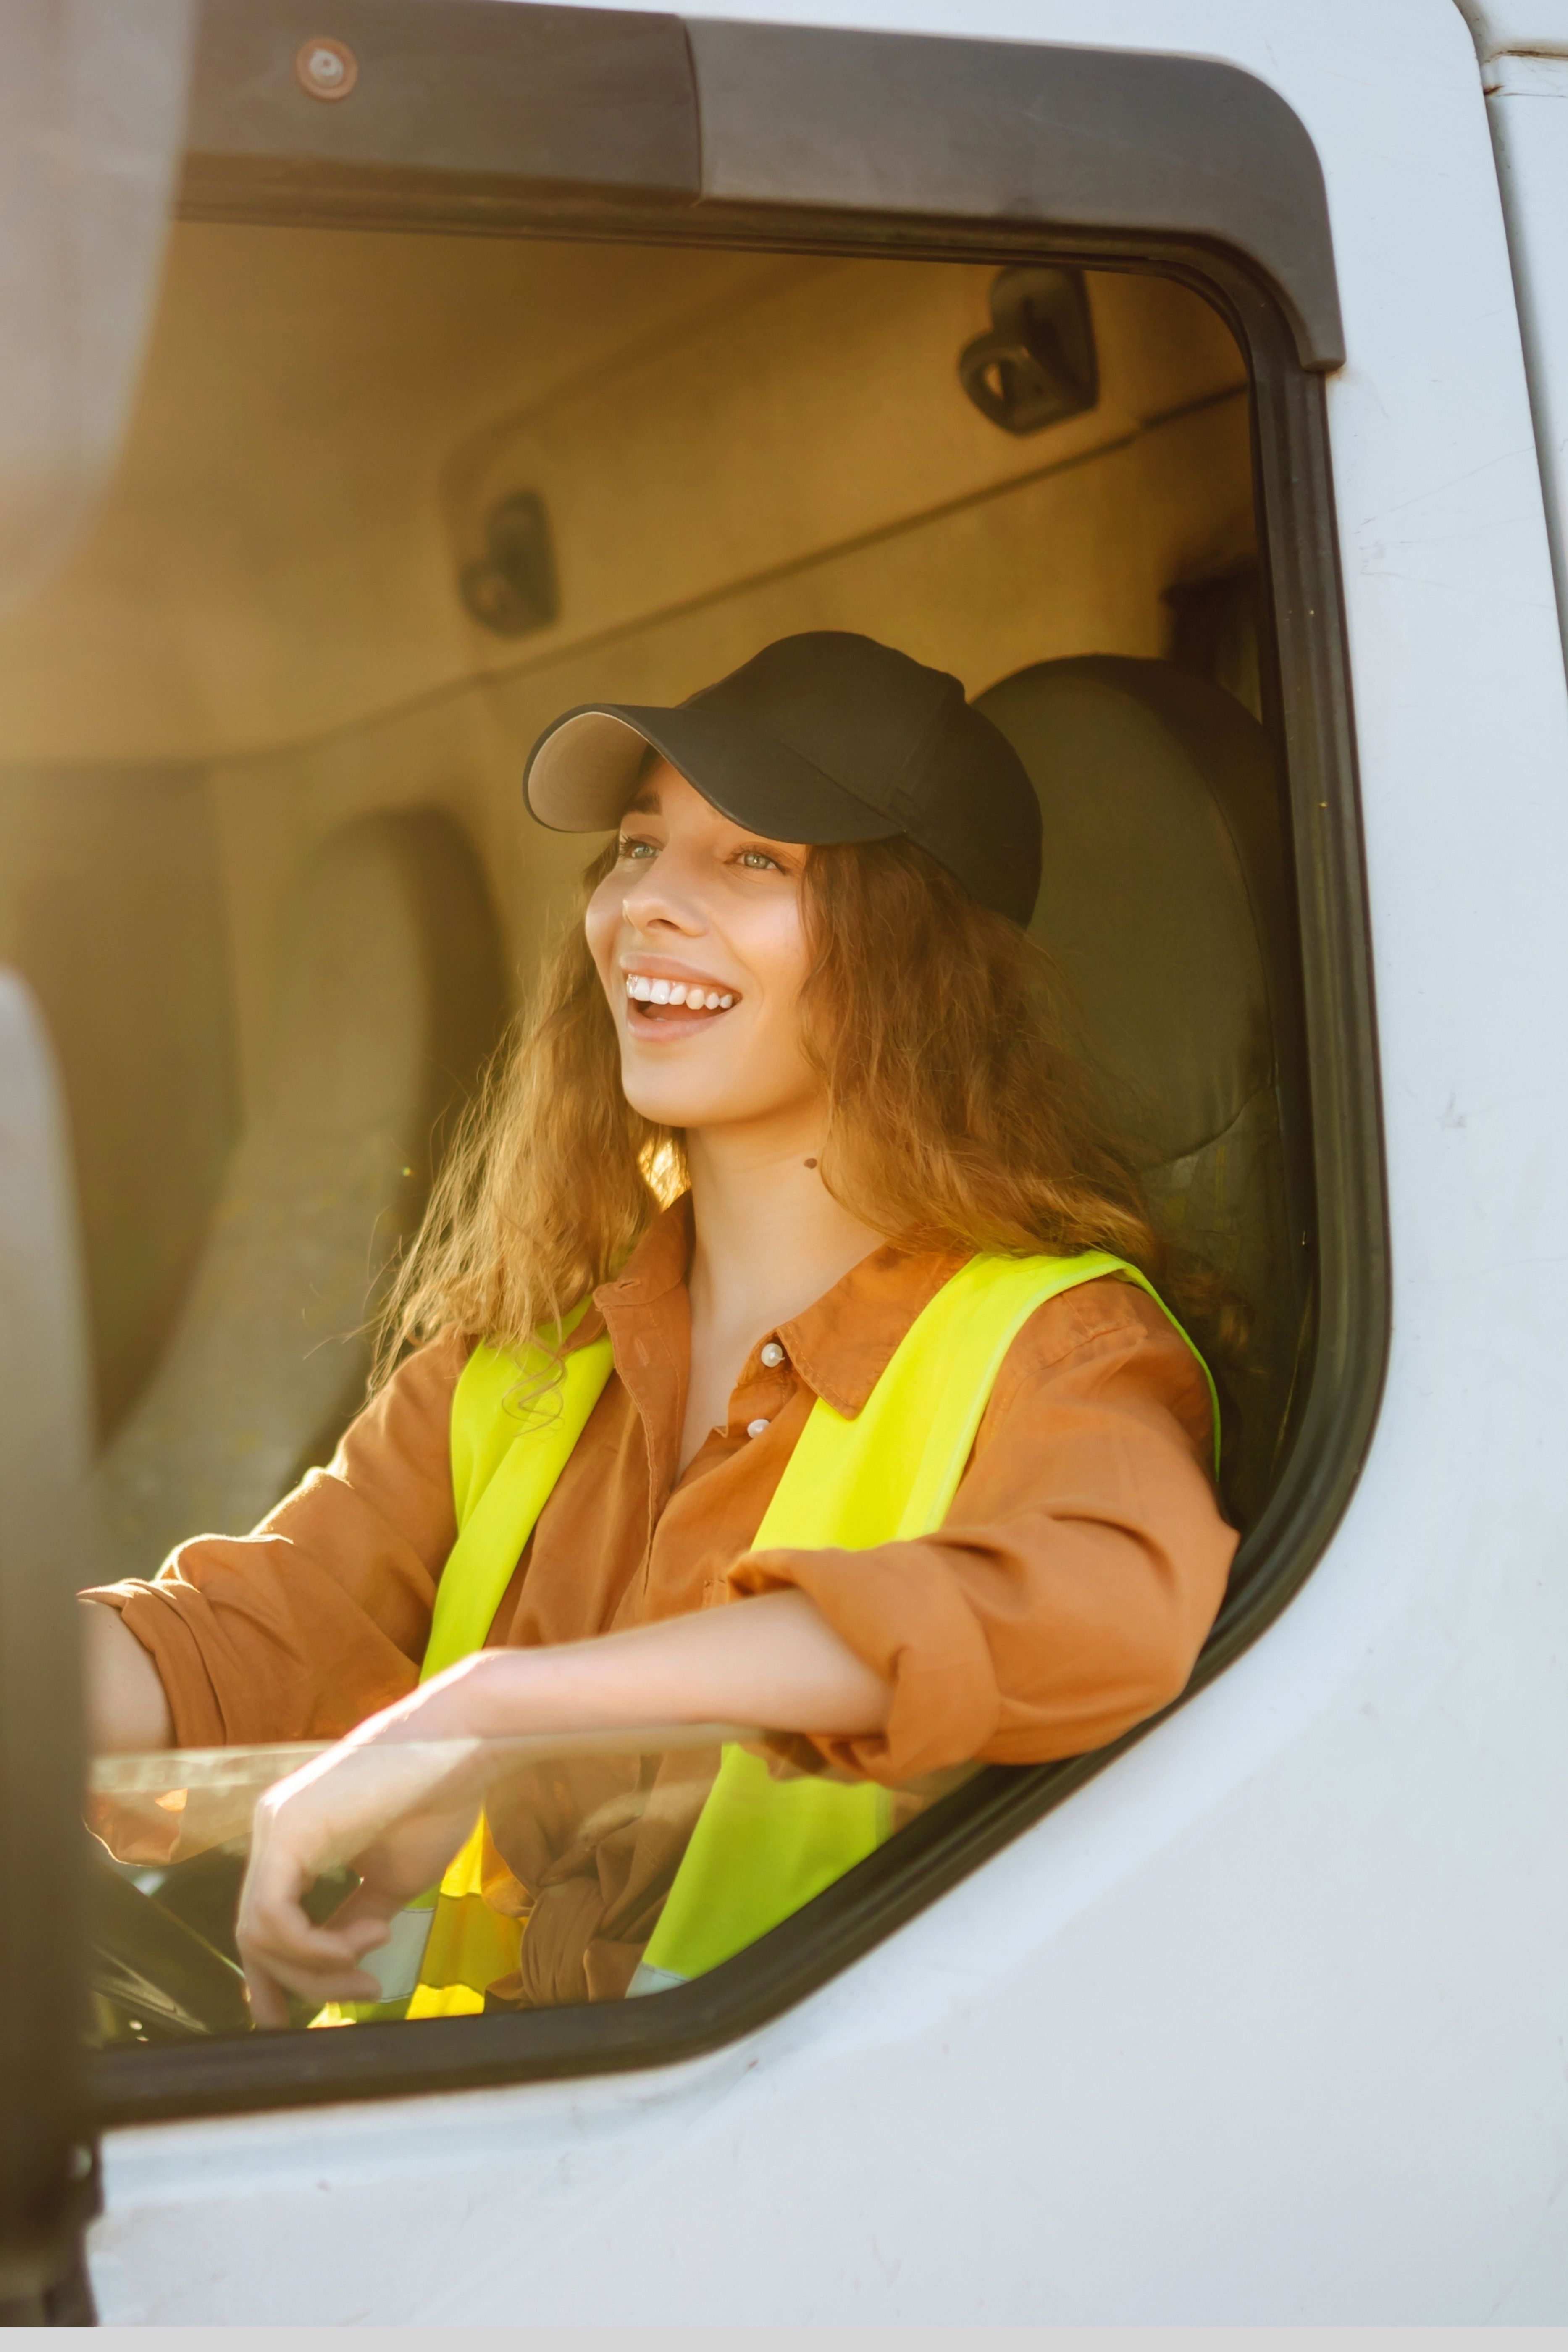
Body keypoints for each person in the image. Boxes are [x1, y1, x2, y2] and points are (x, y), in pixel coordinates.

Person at [80, 630, 1238, 2027]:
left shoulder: (1056, 1347)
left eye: (756, 861)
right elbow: (245, 1640)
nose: (645, 906)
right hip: (465, 2150)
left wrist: (509, 1706)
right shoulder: (527, 1355)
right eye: (638, 846)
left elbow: (1110, 1607)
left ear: (920, 955)